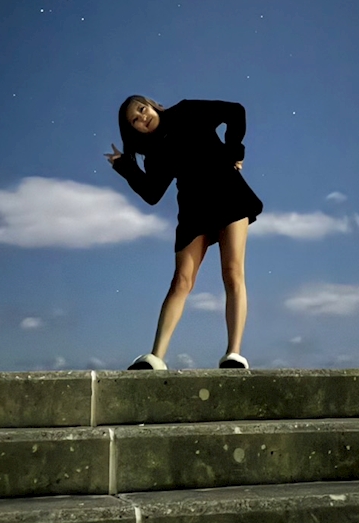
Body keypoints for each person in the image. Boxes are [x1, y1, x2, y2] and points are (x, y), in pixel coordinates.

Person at [105, 95, 263, 370]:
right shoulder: (154, 152)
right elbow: (152, 193)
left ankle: (233, 354)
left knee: (232, 272)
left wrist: (234, 152)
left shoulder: (187, 111)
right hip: (193, 208)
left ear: (152, 104)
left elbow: (235, 111)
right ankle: (155, 358)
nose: (142, 118)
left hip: (227, 193)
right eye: (135, 120)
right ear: (133, 130)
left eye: (142, 109)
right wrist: (126, 168)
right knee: (181, 281)